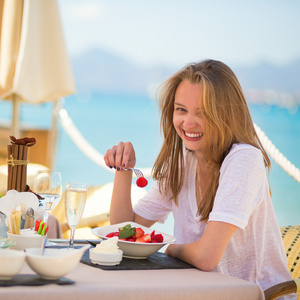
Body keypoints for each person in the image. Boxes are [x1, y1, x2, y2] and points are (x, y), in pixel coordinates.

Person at [104, 59, 294, 296]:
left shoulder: (244, 159)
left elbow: (206, 257)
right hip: (198, 291)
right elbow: (123, 233)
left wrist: (168, 248)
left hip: (256, 295)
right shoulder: (183, 161)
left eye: (203, 112)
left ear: (226, 114)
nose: (189, 122)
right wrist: (123, 170)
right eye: (181, 109)